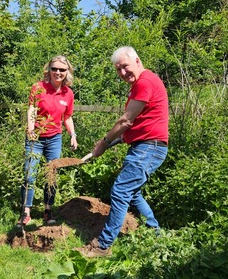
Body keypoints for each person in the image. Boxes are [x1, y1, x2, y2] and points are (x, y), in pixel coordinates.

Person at [78, 46, 169, 257]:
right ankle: (156, 234)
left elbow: (126, 120)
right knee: (132, 193)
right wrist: (115, 141)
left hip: (148, 148)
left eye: (125, 66)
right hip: (149, 147)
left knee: (120, 192)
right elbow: (139, 123)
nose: (122, 73)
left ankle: (103, 246)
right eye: (118, 69)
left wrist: (104, 141)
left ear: (137, 60)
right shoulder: (145, 82)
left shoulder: (145, 82)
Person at [17, 55, 78, 227]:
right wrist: (30, 130)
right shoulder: (38, 87)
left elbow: (67, 117)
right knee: (30, 175)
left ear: (67, 72)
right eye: (55, 69)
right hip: (35, 138)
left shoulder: (68, 93)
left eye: (62, 70)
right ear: (49, 70)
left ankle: (47, 210)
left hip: (54, 138)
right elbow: (32, 110)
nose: (58, 72)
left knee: (51, 175)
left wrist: (72, 134)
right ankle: (26, 213)